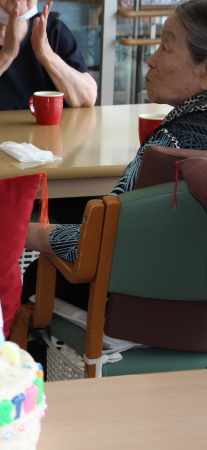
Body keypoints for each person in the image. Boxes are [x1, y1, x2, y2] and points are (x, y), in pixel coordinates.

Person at [23, 0, 207, 309]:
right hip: (195, 320)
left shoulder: (170, 143)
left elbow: (102, 239)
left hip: (134, 310)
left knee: (35, 271)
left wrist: (22, 232)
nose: (151, 59)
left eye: (165, 48)